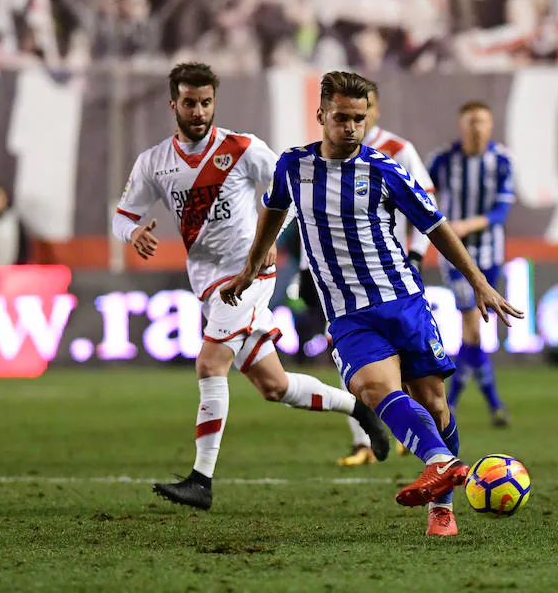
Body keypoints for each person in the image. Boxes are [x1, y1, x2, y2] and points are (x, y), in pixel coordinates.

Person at [221, 71, 523, 537]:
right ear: (321, 114)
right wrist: (250, 267)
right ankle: (442, 468)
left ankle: (441, 500)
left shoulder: (384, 169)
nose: (350, 128)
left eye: (359, 119)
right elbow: (274, 211)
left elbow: (435, 225)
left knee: (436, 405)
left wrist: (479, 282)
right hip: (346, 312)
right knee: (372, 389)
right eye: (341, 118)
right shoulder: (292, 166)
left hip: (401, 300)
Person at [111, 63, 389, 511]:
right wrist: (133, 233)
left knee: (209, 364)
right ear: (174, 105)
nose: (198, 111)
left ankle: (201, 480)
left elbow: (291, 190)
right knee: (274, 386)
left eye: (205, 102)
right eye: (189, 102)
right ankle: (361, 411)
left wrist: (270, 244)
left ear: (214, 103)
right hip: (207, 282)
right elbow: (122, 216)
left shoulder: (242, 148)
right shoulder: (154, 163)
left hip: (247, 276)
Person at [336, 81, 437, 467]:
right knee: (350, 366)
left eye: (365, 110)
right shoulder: (325, 159)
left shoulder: (397, 150)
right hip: (345, 282)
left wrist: (415, 255)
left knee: (410, 369)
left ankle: (409, 434)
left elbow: (425, 204)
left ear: (374, 110)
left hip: (394, 275)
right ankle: (365, 442)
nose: (357, 120)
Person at [428, 100, 516, 428]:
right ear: (461, 126)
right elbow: (422, 196)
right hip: (455, 257)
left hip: (491, 256)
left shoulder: (503, 161)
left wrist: (466, 225)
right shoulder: (441, 160)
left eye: (482, 121)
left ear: (490, 126)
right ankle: (482, 404)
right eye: (470, 122)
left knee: (474, 333)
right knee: (473, 330)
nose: (476, 128)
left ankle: (455, 402)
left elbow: (500, 213)